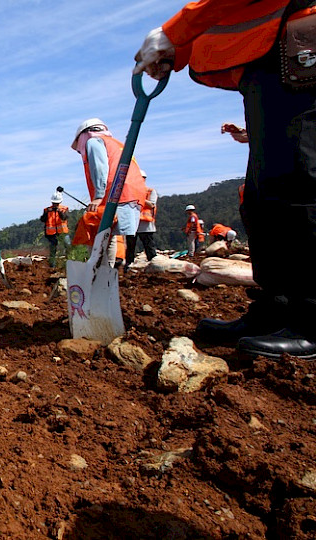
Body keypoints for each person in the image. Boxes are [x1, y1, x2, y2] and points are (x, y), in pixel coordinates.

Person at [134, 0, 316, 359]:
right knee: (264, 192)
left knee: (300, 186)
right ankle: (275, 308)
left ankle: (311, 315)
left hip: (299, 46)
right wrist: (180, 48)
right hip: (268, 60)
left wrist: (175, 32)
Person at [70, 118, 148, 268]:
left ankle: (99, 271)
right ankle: (108, 270)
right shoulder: (117, 144)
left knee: (94, 226)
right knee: (109, 231)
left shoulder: (93, 142)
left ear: (85, 134)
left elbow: (100, 167)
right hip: (133, 193)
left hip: (114, 191)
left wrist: (99, 196)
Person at [131, 176, 159, 263]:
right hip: (133, 224)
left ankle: (153, 264)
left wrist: (139, 198)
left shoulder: (150, 191)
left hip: (146, 225)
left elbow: (151, 205)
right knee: (130, 248)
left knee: (149, 247)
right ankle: (128, 265)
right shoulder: (131, 192)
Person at [39, 192, 70, 269]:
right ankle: (52, 266)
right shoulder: (47, 210)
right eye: (54, 203)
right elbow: (43, 219)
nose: (55, 205)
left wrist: (59, 211)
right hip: (51, 233)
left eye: (56, 203)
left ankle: (70, 262)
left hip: (63, 232)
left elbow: (64, 217)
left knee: (68, 246)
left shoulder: (64, 209)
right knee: (53, 249)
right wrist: (46, 213)